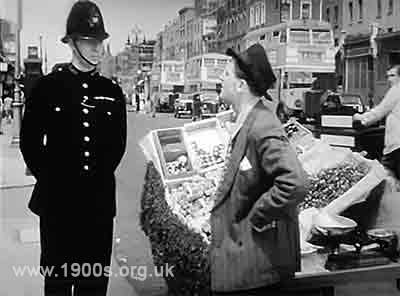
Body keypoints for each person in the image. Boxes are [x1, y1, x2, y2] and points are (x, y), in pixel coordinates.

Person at [20, 1, 127, 295]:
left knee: (92, 285)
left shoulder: (112, 92)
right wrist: (54, 180)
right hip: (57, 208)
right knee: (57, 284)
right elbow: (30, 143)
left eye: (100, 42)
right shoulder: (46, 88)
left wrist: (92, 182)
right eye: (89, 41)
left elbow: (117, 146)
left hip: (98, 209)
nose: (97, 49)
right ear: (72, 43)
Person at [210, 43, 308, 295]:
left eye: (226, 73)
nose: (220, 77)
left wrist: (258, 215)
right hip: (245, 262)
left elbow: (294, 182)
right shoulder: (246, 120)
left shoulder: (263, 125)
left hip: (256, 268)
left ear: (241, 86)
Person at [353, 65, 400, 179]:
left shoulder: (397, 89)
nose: (389, 79)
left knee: (384, 177)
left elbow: (380, 111)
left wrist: (359, 117)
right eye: (388, 76)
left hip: (397, 145)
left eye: (393, 75)